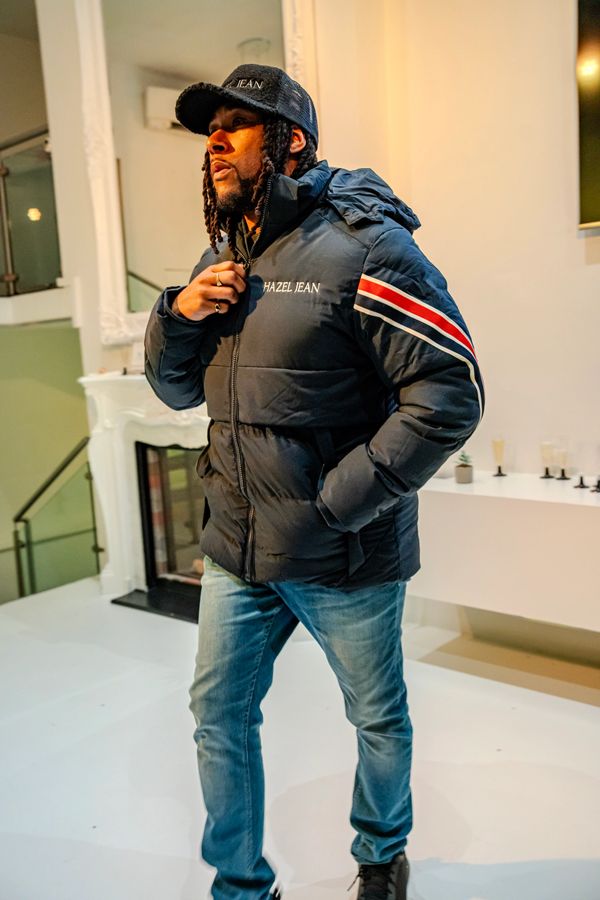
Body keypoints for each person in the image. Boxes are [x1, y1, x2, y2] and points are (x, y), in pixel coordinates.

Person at [145, 63, 484, 900]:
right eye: (210, 127)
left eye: (238, 124)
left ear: (290, 140)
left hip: (343, 556)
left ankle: (381, 854)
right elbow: (180, 389)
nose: (215, 140)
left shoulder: (368, 245)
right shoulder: (222, 250)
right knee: (218, 716)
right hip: (237, 547)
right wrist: (175, 314)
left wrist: (339, 502)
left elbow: (450, 392)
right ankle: (239, 885)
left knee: (375, 720)